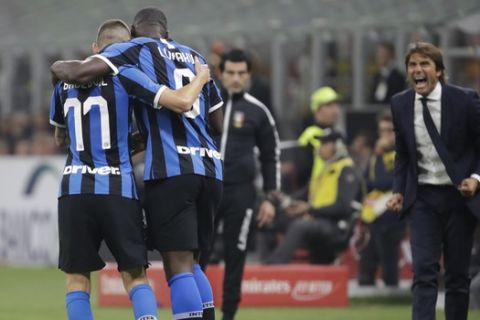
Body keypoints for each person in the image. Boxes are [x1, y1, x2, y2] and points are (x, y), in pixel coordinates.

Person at [52, 8, 224, 320]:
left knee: (78, 278)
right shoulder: (177, 60)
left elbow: (61, 135)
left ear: (97, 48)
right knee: (150, 271)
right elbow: (215, 121)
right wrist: (200, 78)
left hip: (81, 187)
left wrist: (56, 67)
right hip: (184, 173)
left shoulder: (73, 83)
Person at [386, 41, 480, 320]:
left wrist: (476, 178)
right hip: (423, 199)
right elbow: (403, 154)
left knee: (457, 277)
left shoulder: (464, 100)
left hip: (459, 199)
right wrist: (399, 190)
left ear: (438, 71)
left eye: (424, 64)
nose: (418, 70)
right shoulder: (400, 103)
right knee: (424, 272)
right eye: (413, 65)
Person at [200, 48, 280, 320]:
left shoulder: (259, 112)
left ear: (249, 75)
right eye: (230, 72)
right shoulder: (202, 104)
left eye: (241, 73)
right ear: (220, 73)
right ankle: (200, 313)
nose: (235, 78)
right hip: (206, 189)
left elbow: (271, 157)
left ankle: (229, 316)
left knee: (236, 255)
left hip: (241, 193)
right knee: (199, 253)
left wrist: (270, 197)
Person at [266, 129, 360, 264]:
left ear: (338, 146)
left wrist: (310, 209)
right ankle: (266, 261)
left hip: (335, 225)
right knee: (271, 219)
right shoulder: (324, 170)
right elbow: (304, 194)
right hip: (317, 220)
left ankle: (275, 267)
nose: (319, 147)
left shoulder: (346, 170)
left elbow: (343, 207)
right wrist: (285, 200)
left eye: (324, 144)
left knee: (300, 226)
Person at [357, 110, 406, 287]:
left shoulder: (403, 154)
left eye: (389, 130)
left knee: (389, 265)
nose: (384, 135)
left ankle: (392, 299)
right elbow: (365, 182)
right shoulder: (376, 156)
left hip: (391, 217)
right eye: (382, 131)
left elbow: (386, 181)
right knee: (366, 266)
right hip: (373, 216)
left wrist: (377, 157)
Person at [297, 86, 342, 192]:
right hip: (316, 193)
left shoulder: (335, 134)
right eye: (329, 105)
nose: (335, 109)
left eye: (336, 104)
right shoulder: (310, 135)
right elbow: (302, 169)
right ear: (317, 109)